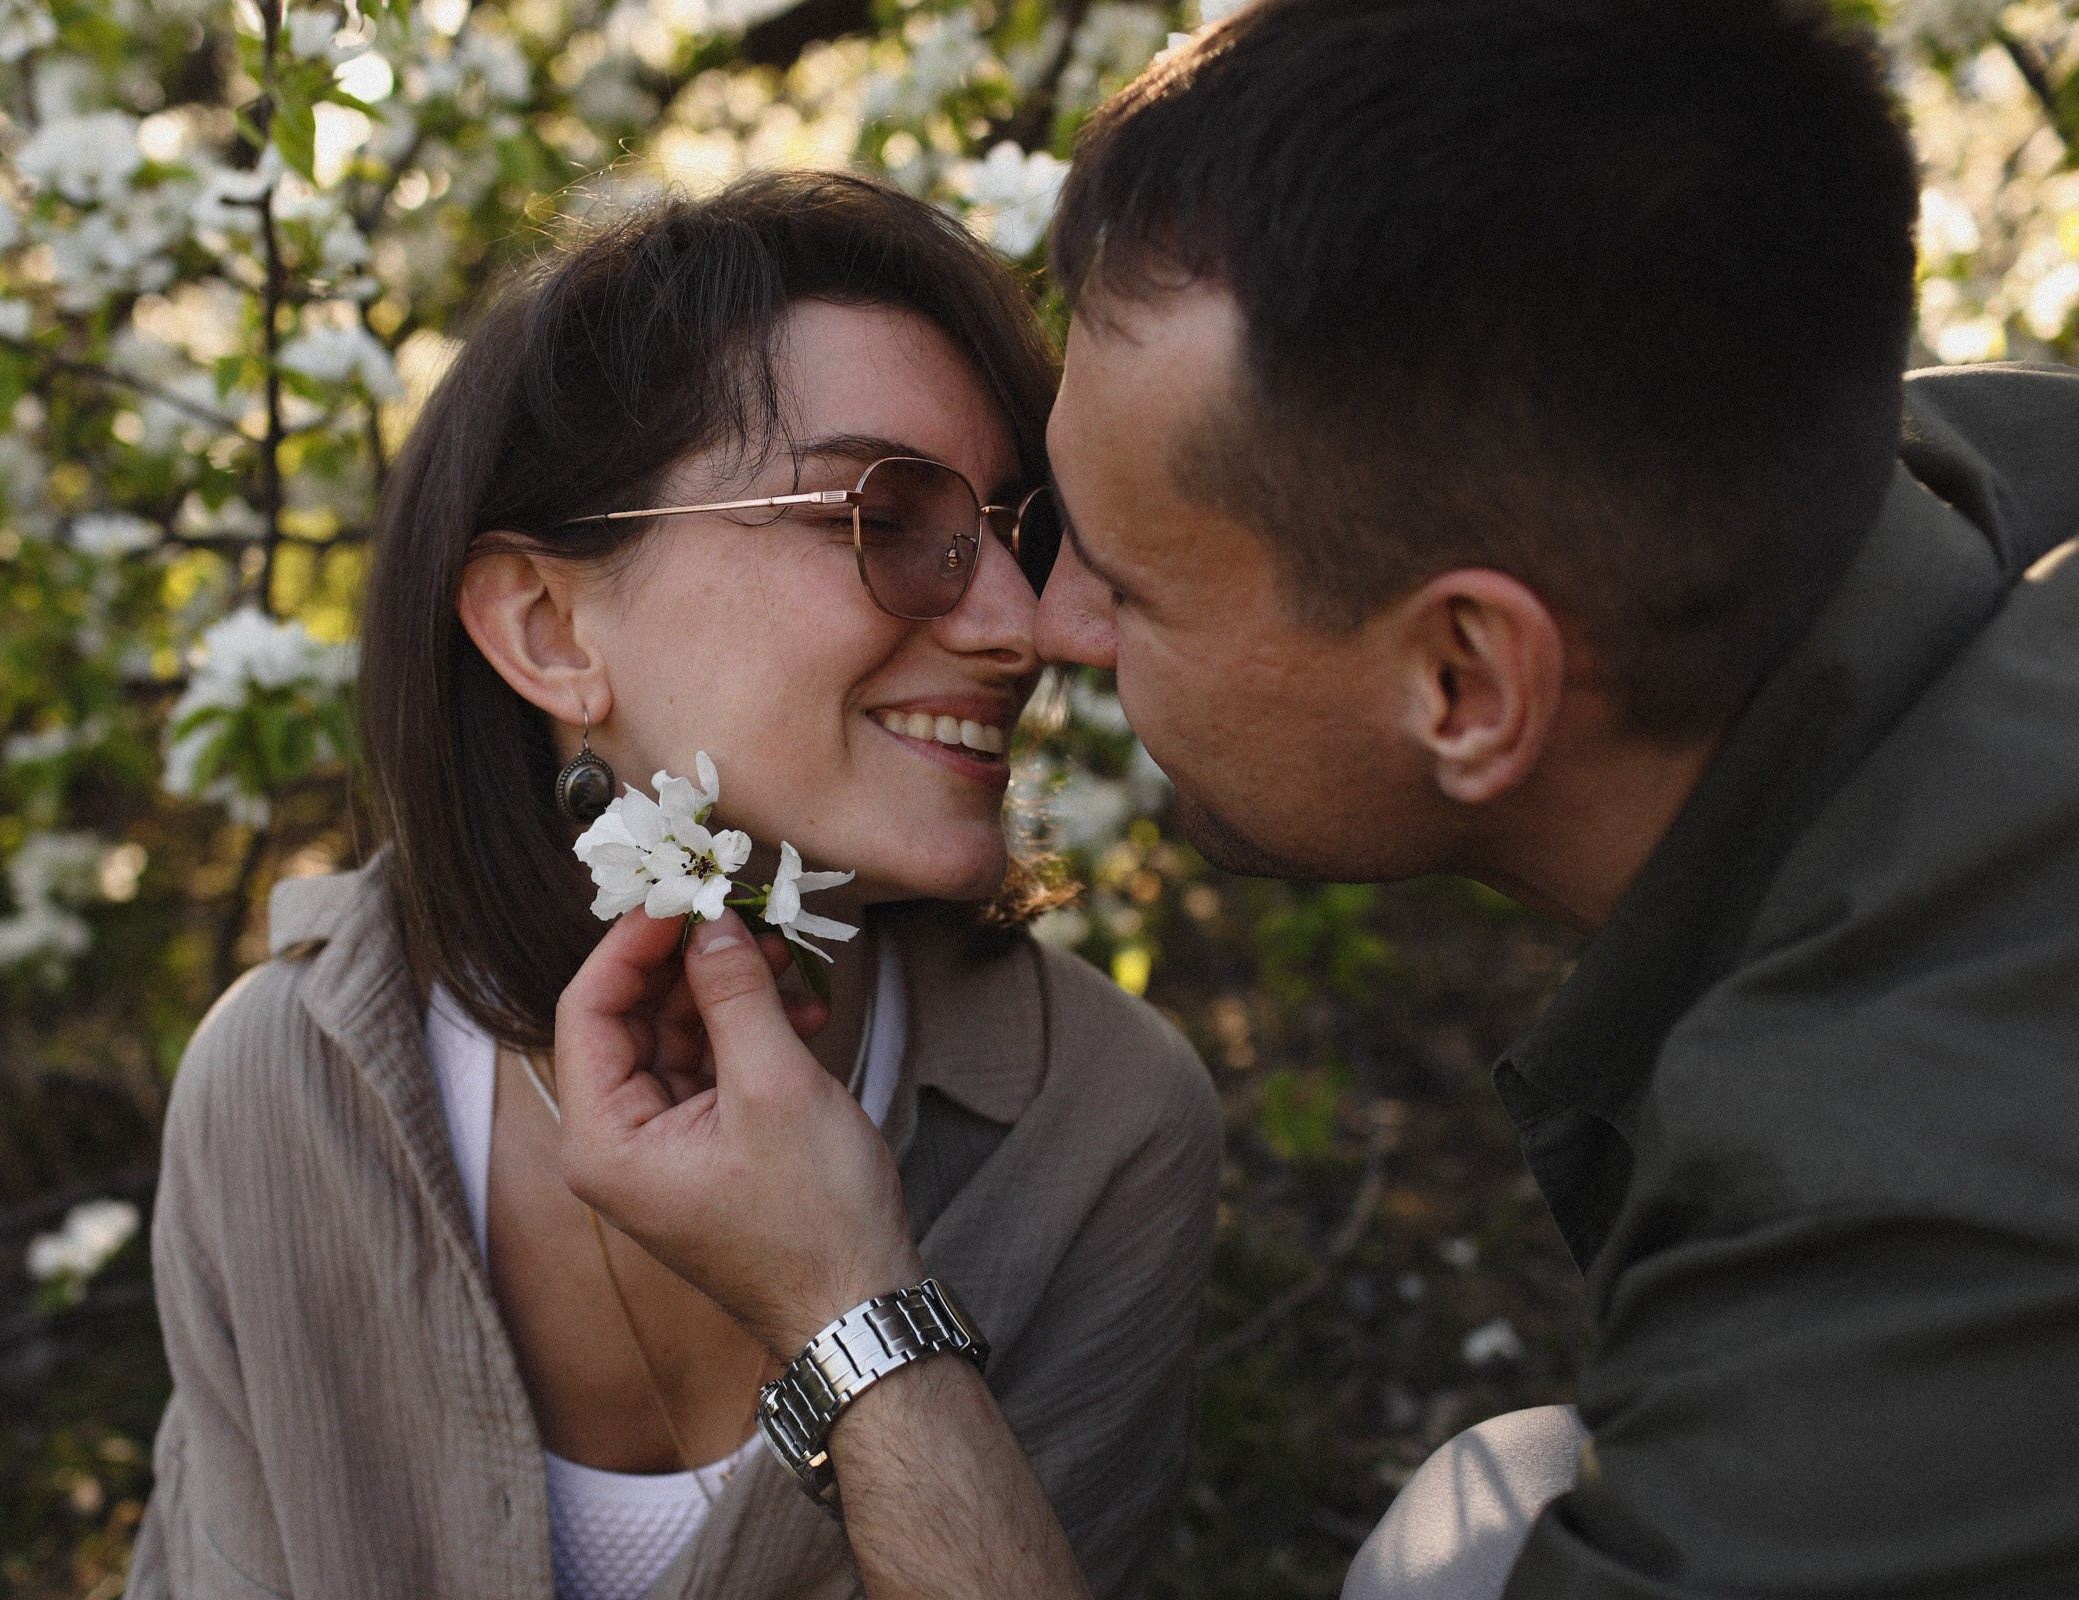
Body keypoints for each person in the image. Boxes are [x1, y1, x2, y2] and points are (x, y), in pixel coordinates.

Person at [554, 2, 2079, 1597]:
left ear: (1466, 685)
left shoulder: (1902, 1227)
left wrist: (845, 1312)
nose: (1041, 627)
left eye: (1128, 587)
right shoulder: (1975, 492)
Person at [125, 171, 1220, 1600]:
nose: (1020, 628)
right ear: (548, 625)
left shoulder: (1098, 1127)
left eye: (1016, 530)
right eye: (887, 517)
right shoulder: (291, 1088)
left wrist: (852, 1313)